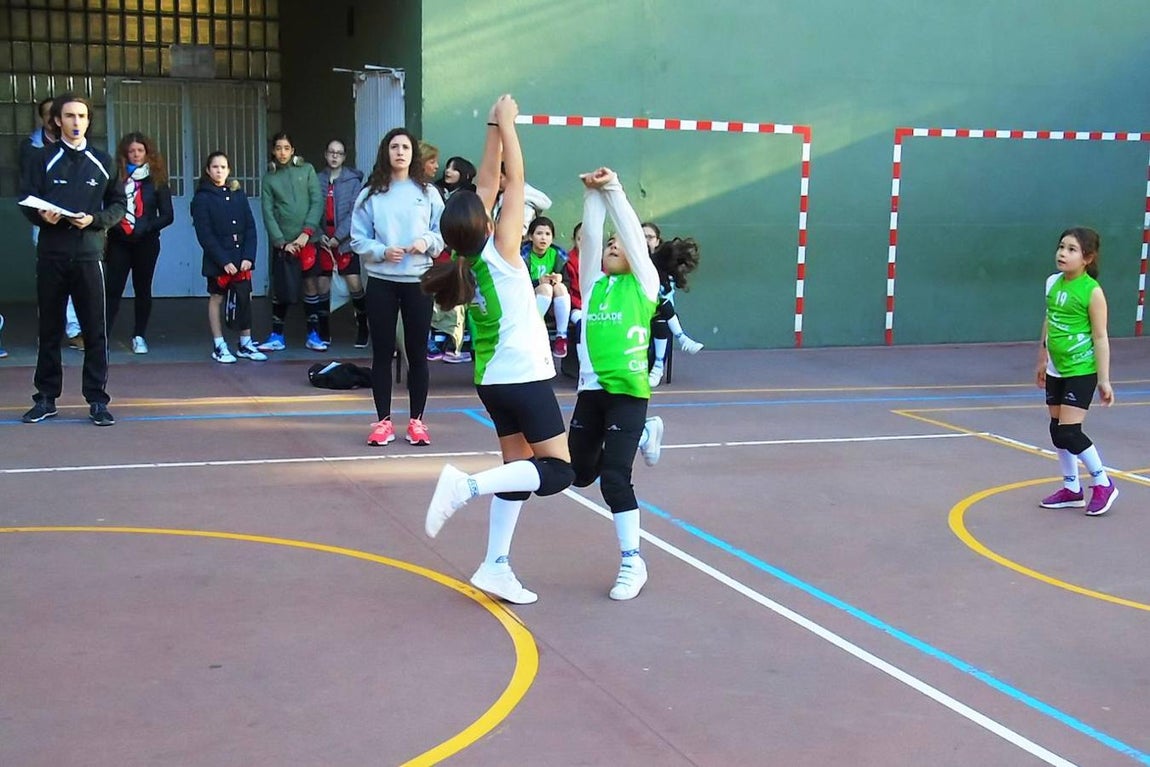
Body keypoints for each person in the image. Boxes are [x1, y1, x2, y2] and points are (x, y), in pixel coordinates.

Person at [421, 94, 574, 604]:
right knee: (559, 470)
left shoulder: (463, 253)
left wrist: (492, 123)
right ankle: (465, 487)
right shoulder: (506, 249)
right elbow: (510, 180)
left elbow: (488, 182)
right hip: (523, 374)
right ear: (486, 221)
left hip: (492, 379)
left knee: (519, 473)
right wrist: (509, 127)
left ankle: (495, 565)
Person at [569, 167, 664, 600]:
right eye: (609, 243)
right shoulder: (594, 287)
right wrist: (591, 198)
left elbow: (627, 230)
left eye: (618, 243)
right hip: (591, 392)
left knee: (613, 478)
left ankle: (632, 561)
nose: (611, 245)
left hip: (628, 392)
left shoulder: (643, 285)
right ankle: (644, 434)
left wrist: (613, 191)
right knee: (579, 473)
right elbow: (590, 241)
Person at [18, 93, 126, 426]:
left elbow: (118, 205)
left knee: (95, 330)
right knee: (49, 329)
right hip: (51, 254)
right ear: (56, 121)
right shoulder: (41, 158)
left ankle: (97, 400)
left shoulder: (104, 160)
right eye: (69, 116)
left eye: (81, 116)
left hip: (89, 255)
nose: (76, 122)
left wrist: (93, 221)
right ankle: (46, 398)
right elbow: (25, 199)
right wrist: (41, 217)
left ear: (88, 121)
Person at [350, 128, 444, 447]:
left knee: (417, 353)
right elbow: (358, 237)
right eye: (394, 146)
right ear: (385, 152)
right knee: (382, 352)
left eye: (405, 147)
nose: (400, 152)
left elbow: (440, 232)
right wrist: (381, 251)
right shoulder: (370, 194)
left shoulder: (428, 192)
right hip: (382, 283)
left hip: (418, 281)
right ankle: (383, 422)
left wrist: (425, 242)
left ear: (413, 154)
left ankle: (417, 422)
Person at [1036, 227, 1119, 516]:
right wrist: (1042, 358)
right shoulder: (1052, 283)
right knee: (1057, 432)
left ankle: (1103, 482)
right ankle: (1072, 489)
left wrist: (1104, 379)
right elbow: (1050, 319)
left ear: (1088, 258)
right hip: (1057, 368)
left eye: (1072, 249)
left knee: (1070, 432)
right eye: (1061, 247)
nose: (1063, 253)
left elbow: (1100, 336)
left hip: (1082, 369)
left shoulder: (1091, 292)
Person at [190, 151, 267, 364]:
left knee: (245, 297)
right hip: (219, 258)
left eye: (223, 167)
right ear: (207, 170)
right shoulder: (202, 198)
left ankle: (245, 342)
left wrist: (248, 256)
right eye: (215, 167)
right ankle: (219, 344)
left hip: (241, 255)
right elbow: (205, 234)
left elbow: (250, 227)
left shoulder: (237, 194)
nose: (219, 171)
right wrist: (224, 261)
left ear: (229, 170)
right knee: (217, 298)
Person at [20, 96, 84, 351]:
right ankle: (49, 330)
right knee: (49, 280)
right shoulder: (31, 147)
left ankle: (74, 330)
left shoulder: (79, 149)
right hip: (45, 226)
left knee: (76, 280)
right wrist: (40, 215)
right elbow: (28, 189)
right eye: (47, 114)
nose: (51, 118)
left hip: (77, 229)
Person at [105, 132, 174, 354]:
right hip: (119, 241)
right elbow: (108, 207)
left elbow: (167, 215)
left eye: (140, 151)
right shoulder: (116, 178)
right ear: (125, 154)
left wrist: (148, 226)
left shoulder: (156, 179)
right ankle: (101, 337)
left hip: (146, 242)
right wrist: (116, 225)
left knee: (142, 288)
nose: (136, 155)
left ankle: (139, 336)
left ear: (147, 153)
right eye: (131, 151)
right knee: (113, 289)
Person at [257, 132, 324, 352]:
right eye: (278, 148)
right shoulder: (269, 178)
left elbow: (317, 202)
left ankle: (313, 334)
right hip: (284, 244)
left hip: (308, 240)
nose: (282, 152)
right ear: (273, 151)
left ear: (293, 150)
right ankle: (277, 335)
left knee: (310, 285)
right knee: (281, 289)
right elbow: (267, 212)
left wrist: (306, 233)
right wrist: (281, 241)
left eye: (286, 148)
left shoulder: (307, 171)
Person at [316, 138, 369, 347]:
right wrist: (319, 234)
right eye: (331, 152)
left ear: (344, 157)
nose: (334, 156)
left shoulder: (353, 181)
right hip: (322, 241)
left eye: (339, 153)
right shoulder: (317, 179)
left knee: (355, 284)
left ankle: (363, 327)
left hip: (344, 242)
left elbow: (354, 213)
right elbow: (312, 210)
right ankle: (323, 329)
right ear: (325, 154)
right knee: (322, 285)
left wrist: (338, 237)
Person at [427, 155, 478, 363]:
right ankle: (435, 338)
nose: (448, 171)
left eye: (454, 169)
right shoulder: (434, 190)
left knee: (456, 292)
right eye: (447, 167)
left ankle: (451, 340)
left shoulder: (470, 196)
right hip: (434, 252)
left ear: (465, 174)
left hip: (458, 253)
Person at [643, 222, 703, 387]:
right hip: (634, 307)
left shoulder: (662, 265)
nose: (645, 240)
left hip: (657, 313)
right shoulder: (633, 261)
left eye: (649, 237)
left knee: (663, 316)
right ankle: (682, 338)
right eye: (642, 236)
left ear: (657, 241)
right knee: (663, 306)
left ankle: (658, 367)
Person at [520, 216, 571, 358]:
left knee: (560, 287)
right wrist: (538, 282)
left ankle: (561, 337)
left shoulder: (557, 254)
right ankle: (534, 332)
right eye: (539, 233)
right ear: (530, 236)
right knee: (545, 288)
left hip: (553, 305)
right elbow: (518, 284)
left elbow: (568, 284)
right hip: (529, 301)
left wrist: (559, 278)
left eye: (548, 234)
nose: (543, 238)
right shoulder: (522, 255)